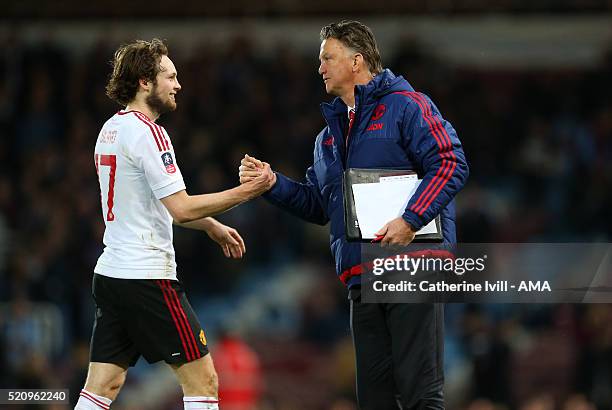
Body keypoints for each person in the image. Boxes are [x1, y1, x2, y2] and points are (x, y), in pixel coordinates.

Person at [239, 21, 469, 409]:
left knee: (420, 392)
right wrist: (272, 183)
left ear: (357, 61)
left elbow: (450, 162)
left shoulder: (407, 105)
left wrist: (411, 219)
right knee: (374, 399)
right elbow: (318, 205)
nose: (320, 68)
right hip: (363, 274)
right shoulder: (327, 137)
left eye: (327, 57)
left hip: (412, 263)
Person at [75, 39, 274, 410]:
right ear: (144, 82)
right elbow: (181, 209)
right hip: (147, 276)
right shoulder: (149, 133)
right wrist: (247, 192)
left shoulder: (110, 130)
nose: (178, 84)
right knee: (204, 380)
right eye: (170, 76)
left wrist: (211, 225)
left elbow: (150, 205)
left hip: (112, 275)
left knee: (104, 385)